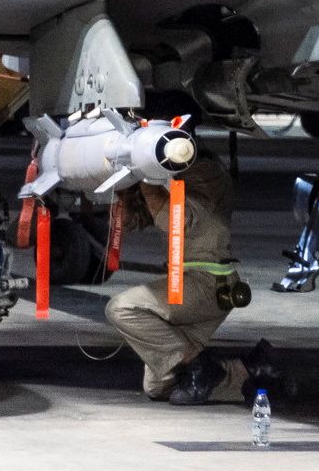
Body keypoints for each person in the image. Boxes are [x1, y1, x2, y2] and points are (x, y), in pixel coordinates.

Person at [104, 135, 247, 402]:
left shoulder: (205, 171)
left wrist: (146, 174)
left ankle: (198, 364)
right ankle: (247, 374)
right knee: (159, 387)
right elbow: (133, 220)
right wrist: (121, 186)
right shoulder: (169, 173)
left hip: (208, 283)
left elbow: (174, 220)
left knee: (122, 308)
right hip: (187, 284)